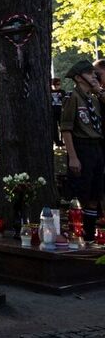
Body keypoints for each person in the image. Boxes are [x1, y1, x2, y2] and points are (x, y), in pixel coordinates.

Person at [60, 60, 103, 240]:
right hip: (81, 147)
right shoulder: (72, 98)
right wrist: (73, 157)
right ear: (78, 77)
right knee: (81, 194)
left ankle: (90, 234)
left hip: (97, 148)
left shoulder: (94, 98)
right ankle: (77, 232)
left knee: (95, 193)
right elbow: (66, 129)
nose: (94, 75)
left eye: (94, 72)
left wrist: (98, 91)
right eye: (89, 72)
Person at [51, 77, 67, 148]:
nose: (56, 86)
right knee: (54, 128)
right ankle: (57, 141)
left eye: (58, 84)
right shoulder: (49, 92)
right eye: (54, 84)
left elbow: (66, 101)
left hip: (61, 112)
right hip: (52, 112)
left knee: (62, 127)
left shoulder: (62, 92)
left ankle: (63, 141)